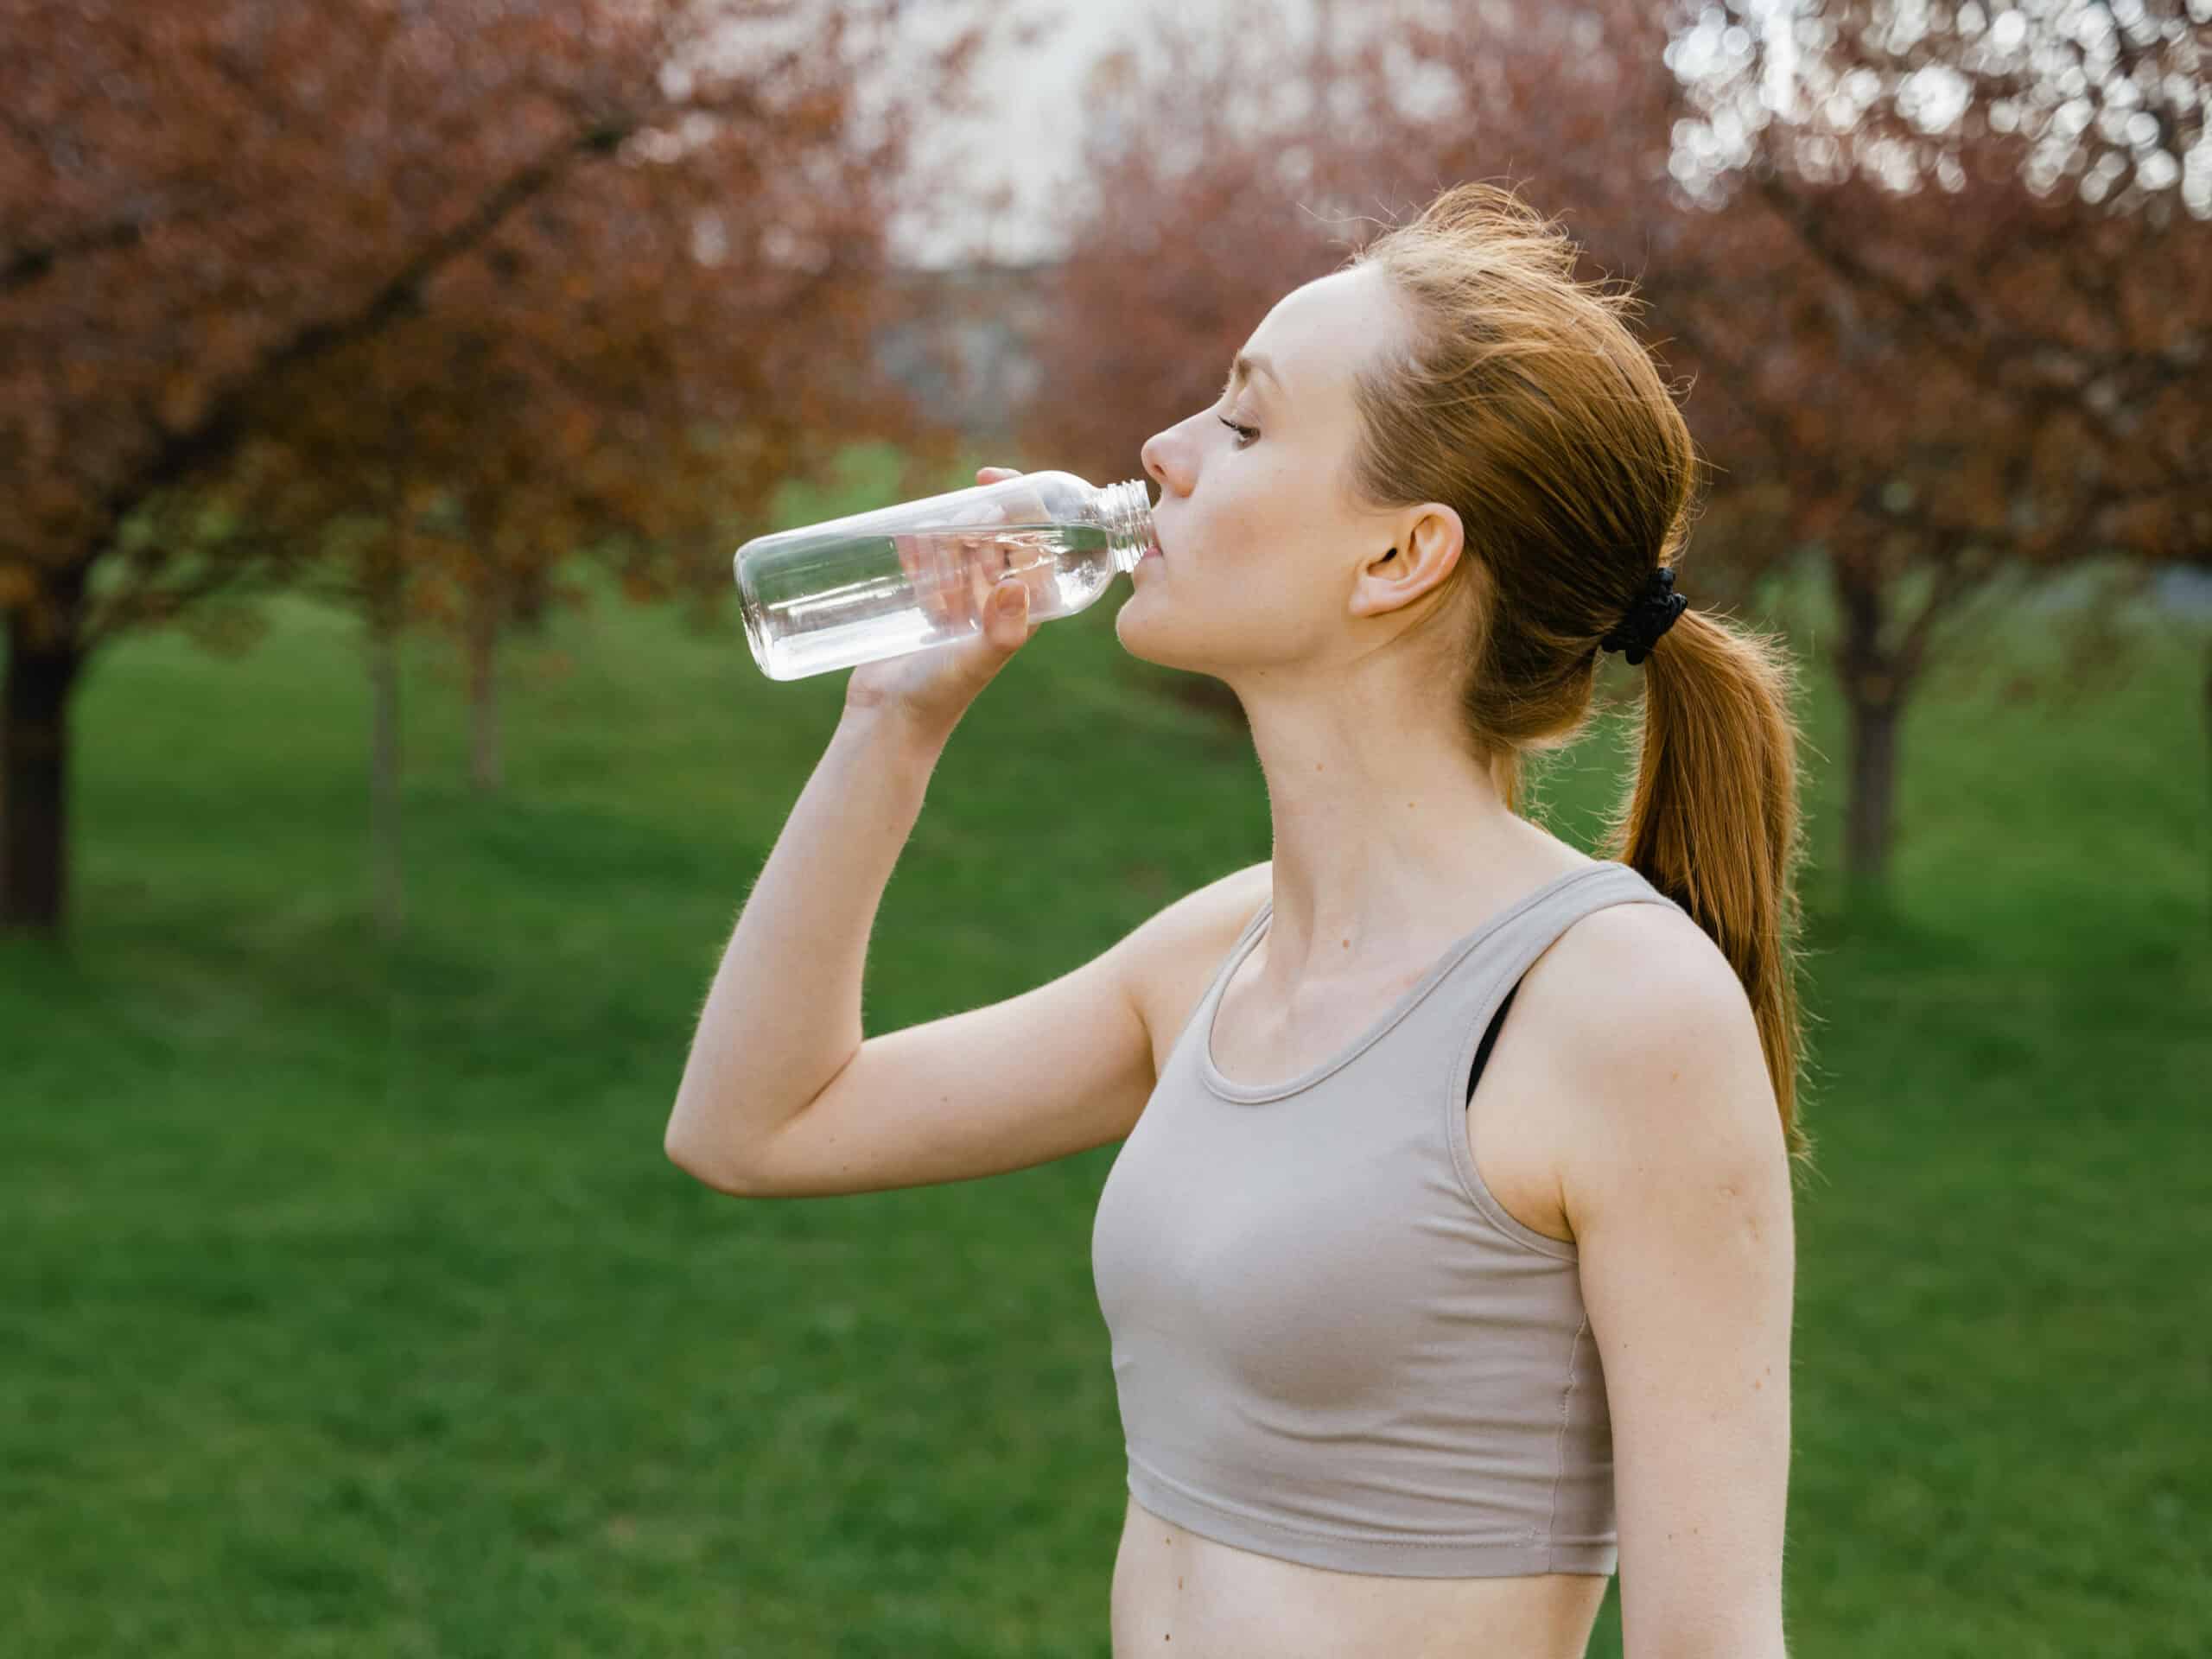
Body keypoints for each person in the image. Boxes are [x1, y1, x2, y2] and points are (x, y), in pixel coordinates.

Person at [665, 181, 1814, 1659]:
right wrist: (890, 724)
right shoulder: (1218, 953)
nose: (1163, 452)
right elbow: (757, 1127)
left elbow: (1710, 1643)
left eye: (1247, 425)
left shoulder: (1614, 1010)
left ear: (1401, 556)